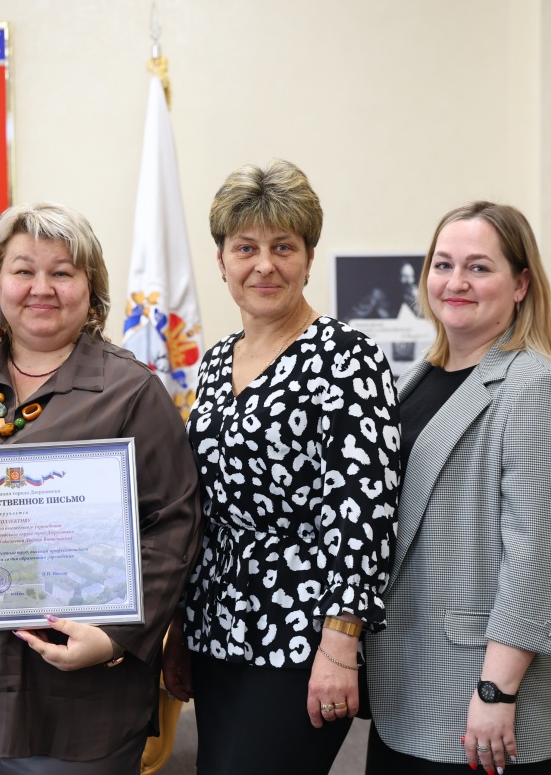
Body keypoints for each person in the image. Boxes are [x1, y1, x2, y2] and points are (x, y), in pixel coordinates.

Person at [0, 202, 201, 774]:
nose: (41, 288)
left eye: (62, 272)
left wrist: (116, 636)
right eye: (24, 270)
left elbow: (175, 525)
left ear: (90, 288)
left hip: (76, 693)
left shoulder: (131, 392)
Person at [162, 159, 402, 773]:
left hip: (302, 637)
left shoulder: (346, 358)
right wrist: (183, 627)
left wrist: (340, 644)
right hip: (216, 630)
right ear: (222, 261)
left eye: (283, 247)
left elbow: (363, 512)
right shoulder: (217, 361)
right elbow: (206, 507)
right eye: (245, 248)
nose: (263, 265)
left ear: (309, 258)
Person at [363, 202, 551, 775]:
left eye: (479, 267)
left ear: (521, 284)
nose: (455, 282)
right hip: (409, 684)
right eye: (443, 265)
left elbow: (537, 560)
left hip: (483, 701)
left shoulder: (536, 389)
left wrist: (496, 692)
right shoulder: (418, 378)